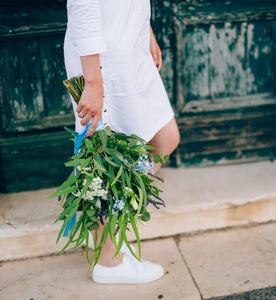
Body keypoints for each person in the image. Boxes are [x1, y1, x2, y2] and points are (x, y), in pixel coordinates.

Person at [63, 0, 180, 284]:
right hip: (104, 62)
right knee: (109, 158)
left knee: (165, 139)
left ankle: (99, 222)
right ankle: (109, 262)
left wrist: (145, 29)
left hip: (131, 45)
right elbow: (83, 5)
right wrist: (93, 82)